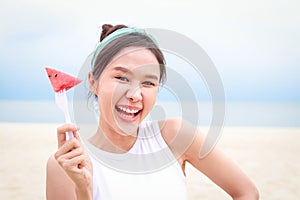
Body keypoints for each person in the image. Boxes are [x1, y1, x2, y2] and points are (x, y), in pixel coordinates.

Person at [46, 24, 259, 200]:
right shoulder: (66, 164)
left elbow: (247, 193)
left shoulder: (174, 136)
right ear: (94, 82)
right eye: (121, 78)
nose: (135, 95)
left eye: (148, 82)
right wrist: (83, 190)